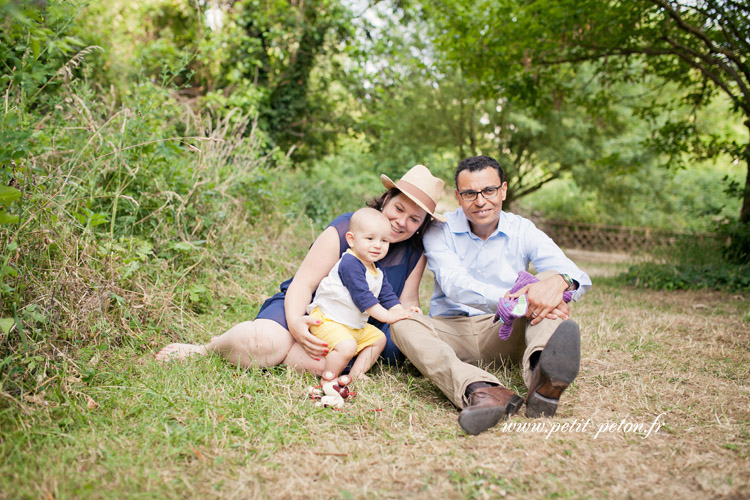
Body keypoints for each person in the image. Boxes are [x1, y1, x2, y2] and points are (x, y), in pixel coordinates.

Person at [156, 165, 445, 382]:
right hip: (308, 306)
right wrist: (296, 324)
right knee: (262, 343)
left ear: (421, 225)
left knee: (375, 351)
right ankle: (207, 349)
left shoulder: (414, 251)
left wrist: (410, 310)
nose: (401, 222)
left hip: (352, 324)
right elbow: (304, 283)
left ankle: (290, 357)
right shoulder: (347, 229)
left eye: (414, 219)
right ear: (386, 200)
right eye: (398, 208)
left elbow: (405, 299)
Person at [390, 155, 592, 435]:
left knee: (551, 282)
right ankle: (482, 390)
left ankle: (542, 377)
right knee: (401, 323)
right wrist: (519, 301)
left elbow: (576, 276)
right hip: (451, 331)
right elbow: (454, 284)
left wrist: (559, 282)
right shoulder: (439, 230)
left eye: (489, 190)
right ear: (458, 197)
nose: (481, 201)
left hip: (504, 332)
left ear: (504, 190)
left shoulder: (523, 229)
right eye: (470, 193)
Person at [307, 207, 421, 383]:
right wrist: (388, 316)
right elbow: (363, 298)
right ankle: (329, 378)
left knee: (378, 339)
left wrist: (401, 312)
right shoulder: (350, 263)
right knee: (347, 347)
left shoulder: (376, 269)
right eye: (370, 239)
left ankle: (356, 373)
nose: (377, 245)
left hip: (352, 325)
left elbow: (388, 295)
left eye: (384, 240)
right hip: (329, 320)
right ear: (351, 240)